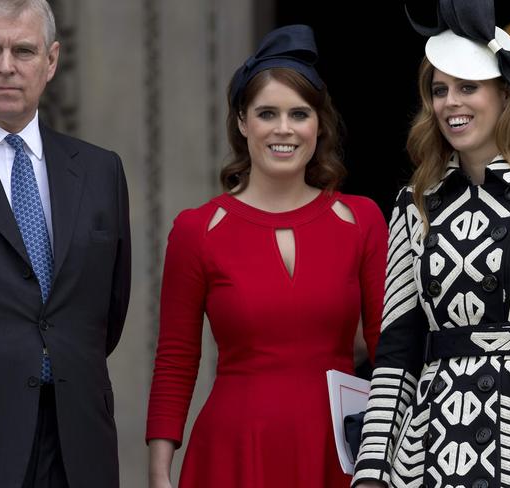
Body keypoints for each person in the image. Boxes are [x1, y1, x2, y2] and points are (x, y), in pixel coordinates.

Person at [146, 24, 388, 488]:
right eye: (267, 113)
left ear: (319, 125)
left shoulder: (362, 220)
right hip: (232, 451)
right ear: (242, 122)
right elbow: (176, 357)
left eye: (299, 114)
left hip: (336, 451)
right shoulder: (198, 229)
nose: (284, 129)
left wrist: (394, 453)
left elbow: (387, 351)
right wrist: (160, 470)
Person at [353, 1, 510, 487]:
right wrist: (371, 469)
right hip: (433, 448)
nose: (450, 102)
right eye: (439, 90)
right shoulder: (414, 204)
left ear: (505, 94)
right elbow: (397, 353)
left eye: (467, 87)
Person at [0, 0, 131, 486]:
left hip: (76, 441)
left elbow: (108, 312)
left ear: (52, 61)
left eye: (23, 50)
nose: (6, 67)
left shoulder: (101, 171)